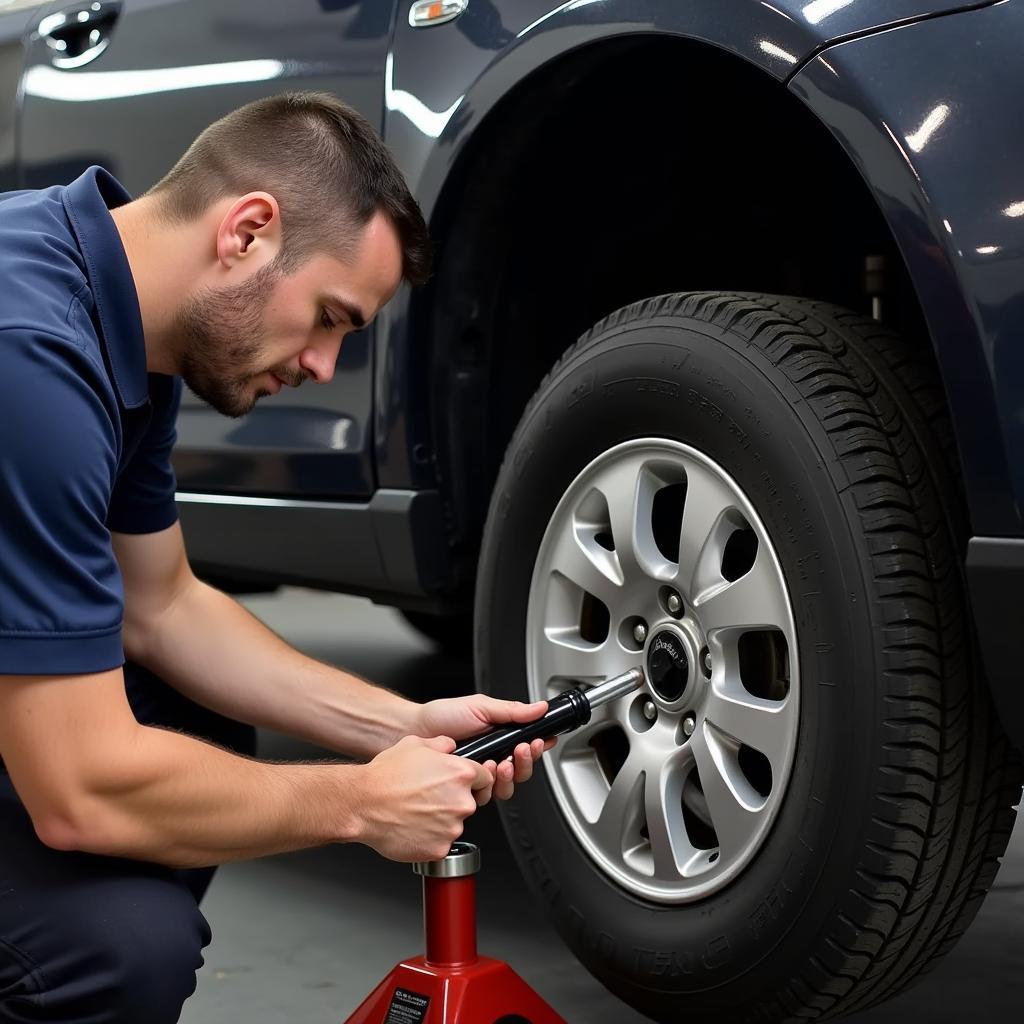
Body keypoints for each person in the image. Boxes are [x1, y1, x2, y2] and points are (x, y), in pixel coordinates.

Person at [0, 92, 549, 1023]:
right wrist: (359, 806)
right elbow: (80, 792)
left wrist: (401, 726)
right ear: (248, 232)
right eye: (330, 317)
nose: (326, 367)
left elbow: (162, 604)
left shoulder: (123, 313)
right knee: (117, 949)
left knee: (192, 724)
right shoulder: (31, 361)